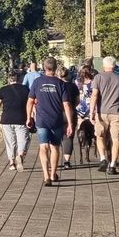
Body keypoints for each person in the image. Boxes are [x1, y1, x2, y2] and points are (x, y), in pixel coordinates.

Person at [27, 58, 75, 186]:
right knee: (55, 147)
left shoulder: (37, 82)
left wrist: (28, 117)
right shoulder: (61, 84)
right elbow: (67, 105)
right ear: (55, 68)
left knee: (43, 147)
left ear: (44, 67)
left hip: (42, 120)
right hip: (56, 120)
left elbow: (30, 101)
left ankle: (46, 176)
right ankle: (53, 174)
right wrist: (70, 123)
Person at [89, 55, 119, 175]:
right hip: (117, 112)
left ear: (104, 66)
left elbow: (94, 95)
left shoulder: (98, 77)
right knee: (116, 139)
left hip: (102, 112)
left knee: (100, 136)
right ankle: (113, 165)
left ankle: (103, 158)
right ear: (114, 65)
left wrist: (92, 112)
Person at [0, 70, 30, 171]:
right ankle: (20, 155)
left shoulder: (3, 90)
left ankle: (11, 163)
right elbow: (30, 104)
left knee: (10, 142)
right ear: (19, 78)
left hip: (6, 119)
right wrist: (31, 117)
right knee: (23, 140)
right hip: (21, 118)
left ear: (8, 79)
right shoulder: (25, 89)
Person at [57, 67, 81, 170]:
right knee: (69, 136)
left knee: (55, 137)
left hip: (57, 113)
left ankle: (53, 159)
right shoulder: (73, 86)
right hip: (70, 113)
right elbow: (77, 101)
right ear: (68, 75)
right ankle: (67, 161)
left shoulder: (56, 85)